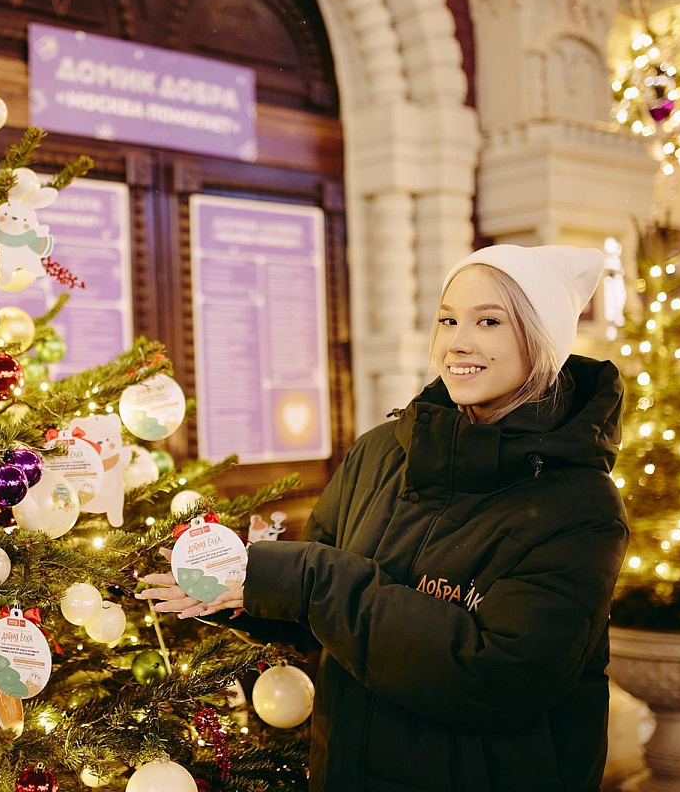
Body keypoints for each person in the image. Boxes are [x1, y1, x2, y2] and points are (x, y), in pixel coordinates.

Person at [139, 245, 629, 791]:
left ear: (542, 342)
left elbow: (499, 679)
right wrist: (236, 586)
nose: (457, 342)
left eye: (489, 321)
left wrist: (306, 579)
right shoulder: (381, 452)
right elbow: (316, 613)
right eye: (447, 320)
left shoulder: (580, 506)